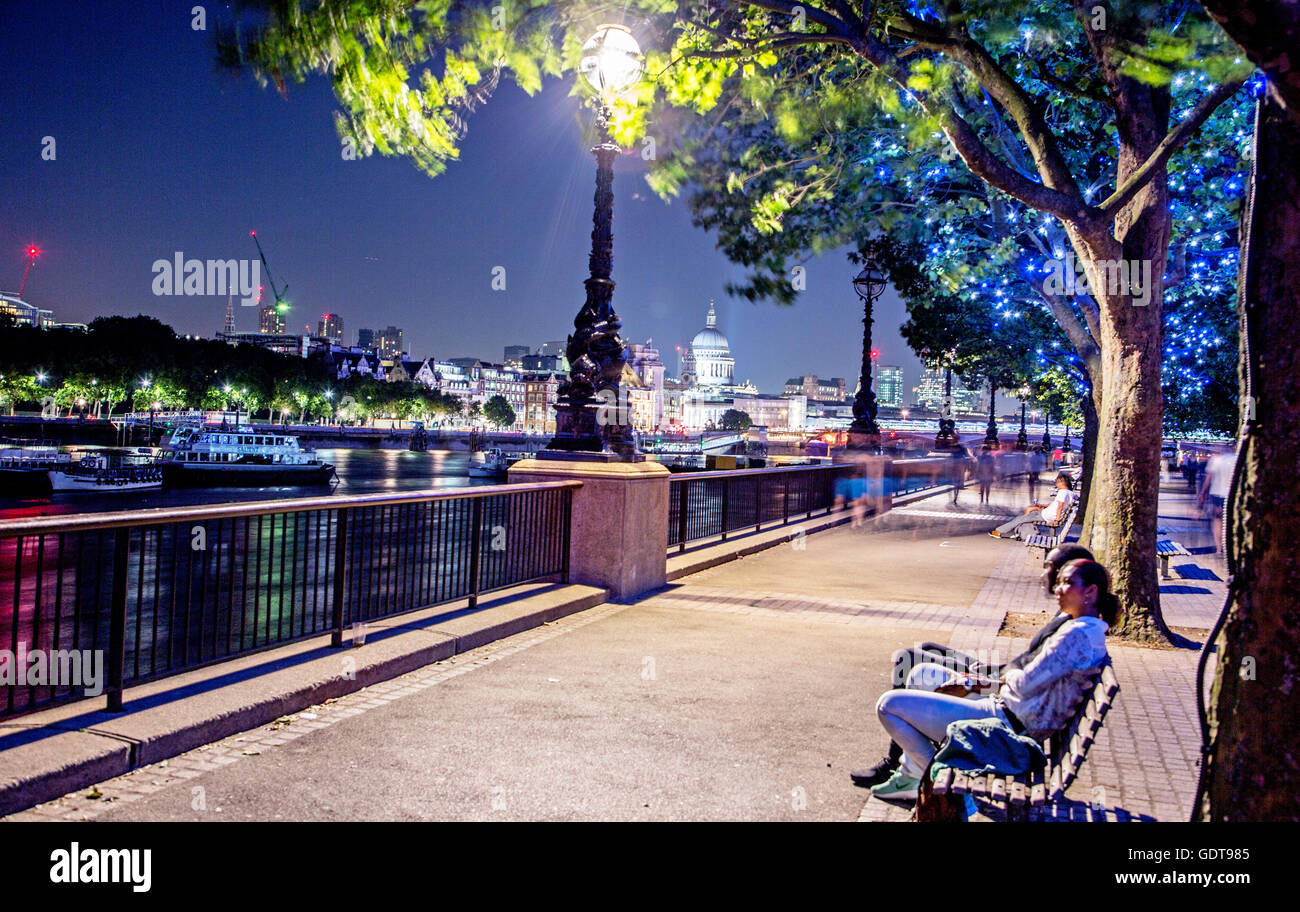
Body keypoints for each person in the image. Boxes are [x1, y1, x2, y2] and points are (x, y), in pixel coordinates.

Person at [869, 559, 1117, 800]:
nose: (1057, 589)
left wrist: (1004, 677)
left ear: (1090, 592)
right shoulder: (1085, 630)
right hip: (1007, 711)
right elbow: (1030, 683)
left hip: (1006, 727)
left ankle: (923, 775)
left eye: (1067, 582)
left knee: (888, 705)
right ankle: (910, 772)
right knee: (920, 673)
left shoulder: (1077, 636)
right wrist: (983, 682)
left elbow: (1025, 683)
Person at [989, 472, 1075, 541]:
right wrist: (1042, 505)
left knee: (1020, 518)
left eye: (1057, 482)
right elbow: (1056, 505)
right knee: (1025, 515)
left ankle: (999, 531)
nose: (1056, 484)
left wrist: (1056, 520)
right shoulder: (1070, 494)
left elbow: (1060, 506)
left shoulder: (1062, 493)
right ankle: (1020, 533)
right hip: (1046, 513)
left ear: (1061, 482)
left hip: (1046, 516)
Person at [1198, 446, 1238, 555]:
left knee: (1217, 521)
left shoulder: (1215, 460)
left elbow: (1208, 478)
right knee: (1230, 521)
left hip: (1216, 493)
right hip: (1231, 494)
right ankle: (1229, 547)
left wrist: (1203, 492)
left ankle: (1219, 548)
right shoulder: (1236, 459)